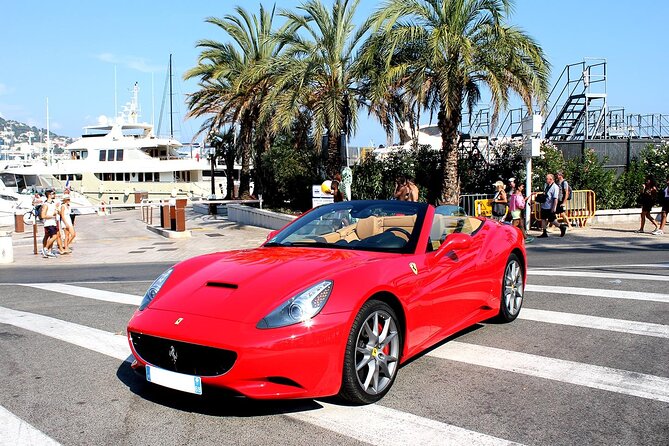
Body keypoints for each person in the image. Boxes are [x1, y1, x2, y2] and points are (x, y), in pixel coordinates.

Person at [40, 190, 59, 258]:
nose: (54, 195)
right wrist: (52, 216)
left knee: (52, 237)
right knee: (54, 236)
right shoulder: (46, 204)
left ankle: (49, 251)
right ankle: (45, 249)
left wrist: (56, 211)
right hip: (48, 223)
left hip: (53, 222)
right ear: (49, 195)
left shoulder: (52, 203)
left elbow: (53, 212)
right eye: (53, 194)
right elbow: (43, 215)